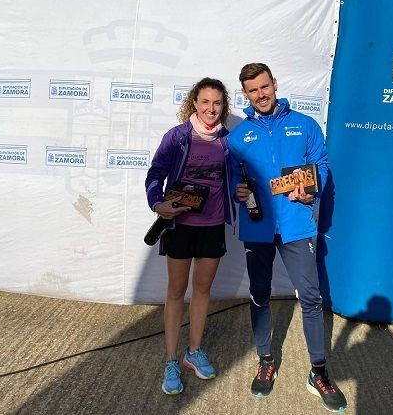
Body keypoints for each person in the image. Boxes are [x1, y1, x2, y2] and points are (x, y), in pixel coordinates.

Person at [228, 63, 347, 412]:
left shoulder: (305, 125)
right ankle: (266, 360)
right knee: (259, 295)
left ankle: (318, 372)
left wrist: (310, 190)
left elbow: (320, 166)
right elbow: (233, 179)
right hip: (258, 227)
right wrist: (236, 190)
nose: (261, 94)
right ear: (245, 94)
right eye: (253, 90)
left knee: (310, 297)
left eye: (264, 86)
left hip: (296, 226)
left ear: (275, 84)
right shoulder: (238, 137)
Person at [145, 77, 232, 395]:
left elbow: (238, 178)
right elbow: (155, 174)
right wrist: (158, 204)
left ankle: (193, 352)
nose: (211, 108)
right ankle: (171, 359)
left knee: (202, 289)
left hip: (213, 225)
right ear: (194, 103)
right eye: (205, 101)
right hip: (180, 225)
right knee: (176, 291)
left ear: (224, 106)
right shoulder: (177, 136)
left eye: (217, 103)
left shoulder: (229, 140)